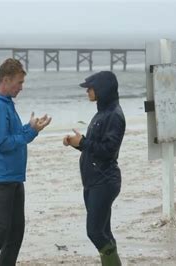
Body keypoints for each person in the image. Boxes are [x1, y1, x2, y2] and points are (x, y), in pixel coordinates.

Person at [0, 58, 52, 266]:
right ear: (6, 80)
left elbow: (14, 135)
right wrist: (30, 133)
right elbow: (3, 143)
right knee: (0, 230)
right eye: (19, 82)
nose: (21, 87)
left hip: (13, 175)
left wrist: (31, 128)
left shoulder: (6, 104)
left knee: (15, 232)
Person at [63, 71, 125, 266]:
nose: (87, 91)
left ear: (102, 89)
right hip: (94, 181)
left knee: (95, 232)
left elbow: (108, 150)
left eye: (90, 88)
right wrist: (77, 143)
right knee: (103, 232)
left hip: (104, 181)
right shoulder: (103, 112)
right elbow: (94, 147)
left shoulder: (114, 115)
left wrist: (85, 142)